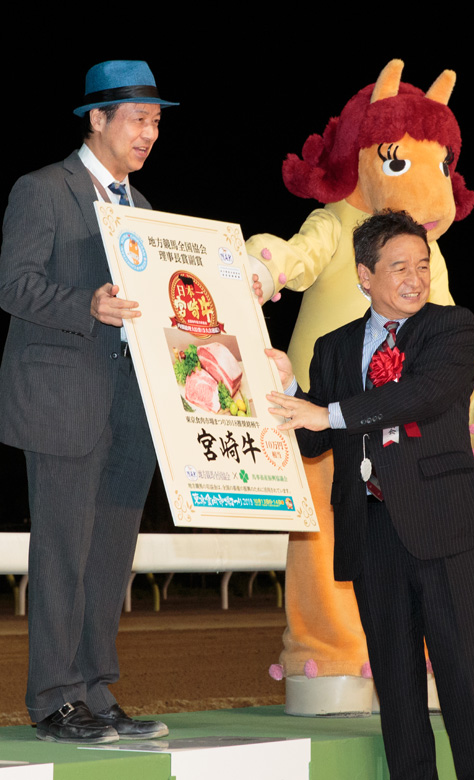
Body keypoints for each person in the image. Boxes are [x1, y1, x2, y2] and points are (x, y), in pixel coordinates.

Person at [266, 210, 474, 779]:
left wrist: (327, 411)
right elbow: (315, 439)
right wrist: (287, 387)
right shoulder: (333, 347)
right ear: (364, 275)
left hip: (449, 530)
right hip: (371, 531)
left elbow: (423, 395)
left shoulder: (452, 328)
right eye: (399, 267)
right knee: (399, 698)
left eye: (422, 266)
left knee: (471, 690)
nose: (415, 279)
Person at [0, 60, 177, 744]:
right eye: (138, 119)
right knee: (63, 554)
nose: (149, 133)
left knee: (108, 556)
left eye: (156, 121)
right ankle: (54, 698)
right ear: (96, 118)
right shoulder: (43, 189)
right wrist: (87, 305)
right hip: (63, 399)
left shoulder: (146, 208)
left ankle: (96, 691)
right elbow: (14, 285)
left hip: (132, 405)